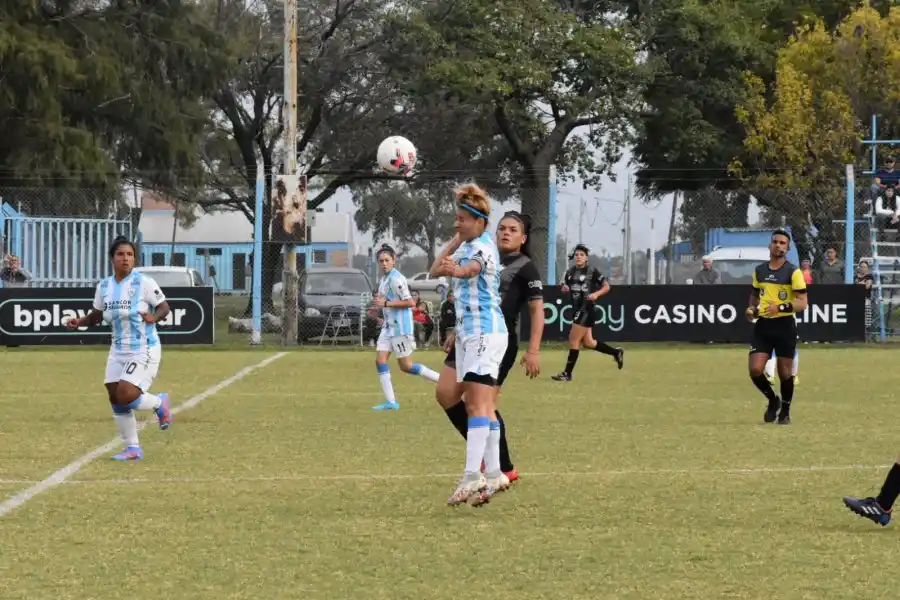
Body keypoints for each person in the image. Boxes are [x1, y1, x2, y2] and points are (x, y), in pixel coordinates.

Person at [435, 210, 544, 491]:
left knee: (483, 404)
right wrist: (457, 331)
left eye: (513, 230)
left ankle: (502, 469)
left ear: (523, 238)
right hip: (468, 335)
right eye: (502, 228)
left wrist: (533, 350)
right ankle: (484, 455)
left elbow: (537, 311)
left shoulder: (525, 267)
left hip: (497, 339)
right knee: (446, 394)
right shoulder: (482, 252)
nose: (505, 233)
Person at [430, 183, 509, 506]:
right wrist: (455, 241)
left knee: (478, 404)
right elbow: (436, 268)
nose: (458, 223)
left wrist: (458, 269)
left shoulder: (485, 248)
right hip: (467, 335)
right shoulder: (466, 243)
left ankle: (472, 477)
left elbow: (469, 270)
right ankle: (493, 474)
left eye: (463, 219)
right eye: (456, 218)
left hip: (485, 333)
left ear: (480, 221)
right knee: (475, 403)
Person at [64, 236, 172, 461]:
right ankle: (133, 448)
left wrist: (154, 317)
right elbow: (96, 316)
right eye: (121, 254)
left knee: (126, 394)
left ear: (134, 259)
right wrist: (79, 322)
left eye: (130, 254)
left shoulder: (144, 282)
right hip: (118, 350)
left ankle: (160, 403)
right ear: (112, 258)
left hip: (143, 348)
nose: (125, 258)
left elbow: (164, 307)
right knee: (115, 397)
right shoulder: (104, 286)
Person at [744, 229, 808, 425]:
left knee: (785, 373)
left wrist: (779, 307)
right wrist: (751, 309)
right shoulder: (760, 271)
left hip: (784, 326)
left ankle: (785, 412)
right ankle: (773, 400)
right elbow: (755, 295)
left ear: (787, 248)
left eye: (782, 243)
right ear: (770, 245)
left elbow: (802, 302)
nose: (778, 245)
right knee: (755, 369)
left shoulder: (793, 272)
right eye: (775, 242)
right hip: (763, 326)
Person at [371, 244, 439, 411]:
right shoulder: (384, 279)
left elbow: (410, 302)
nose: (384, 263)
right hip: (389, 328)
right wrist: (381, 304)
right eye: (381, 261)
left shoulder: (397, 279)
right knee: (380, 361)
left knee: (406, 366)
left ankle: (442, 380)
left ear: (394, 261)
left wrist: (385, 303)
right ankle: (391, 402)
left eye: (387, 260)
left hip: (400, 329)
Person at [551, 244, 624, 381]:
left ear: (586, 258)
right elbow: (564, 286)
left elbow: (606, 287)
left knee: (574, 340)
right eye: (577, 255)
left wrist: (596, 294)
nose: (578, 257)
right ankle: (616, 352)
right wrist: (565, 289)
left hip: (587, 309)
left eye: (581, 255)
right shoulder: (570, 272)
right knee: (589, 343)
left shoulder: (592, 271)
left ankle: (567, 374)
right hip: (576, 309)